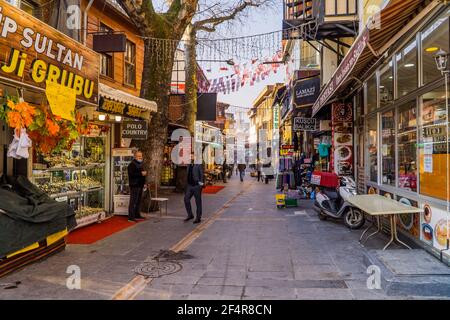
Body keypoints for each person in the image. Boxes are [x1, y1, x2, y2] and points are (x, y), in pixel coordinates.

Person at [184, 153, 205, 224]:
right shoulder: (188, 164)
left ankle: (198, 217)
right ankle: (190, 214)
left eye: (192, 156)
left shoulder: (198, 164)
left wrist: (201, 185)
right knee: (186, 199)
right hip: (190, 186)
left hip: (196, 186)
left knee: (198, 202)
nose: (191, 157)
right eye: (190, 156)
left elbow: (202, 175)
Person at [127, 150, 147, 222]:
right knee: (133, 201)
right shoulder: (131, 165)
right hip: (134, 185)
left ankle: (137, 214)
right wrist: (141, 174)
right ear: (135, 157)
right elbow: (131, 175)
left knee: (138, 201)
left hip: (140, 185)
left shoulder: (141, 164)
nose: (140, 157)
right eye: (138, 156)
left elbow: (142, 175)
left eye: (141, 156)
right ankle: (131, 217)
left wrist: (144, 183)